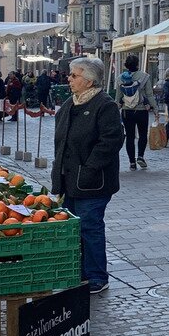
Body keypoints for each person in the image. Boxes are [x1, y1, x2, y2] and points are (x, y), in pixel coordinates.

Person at [52, 56, 123, 295]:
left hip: (92, 182)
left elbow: (112, 140)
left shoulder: (105, 105)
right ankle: (78, 272)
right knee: (74, 228)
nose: (69, 79)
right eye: (70, 75)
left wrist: (90, 167)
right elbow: (60, 143)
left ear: (89, 81)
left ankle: (96, 276)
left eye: (74, 75)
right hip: (69, 180)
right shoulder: (69, 105)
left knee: (90, 227)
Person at [117, 54, 158, 170]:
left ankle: (131, 162)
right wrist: (155, 109)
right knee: (142, 134)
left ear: (126, 65)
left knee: (130, 137)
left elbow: (118, 97)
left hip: (126, 111)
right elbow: (149, 94)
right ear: (137, 64)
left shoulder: (120, 78)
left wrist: (116, 109)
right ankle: (140, 156)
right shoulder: (145, 76)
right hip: (141, 110)